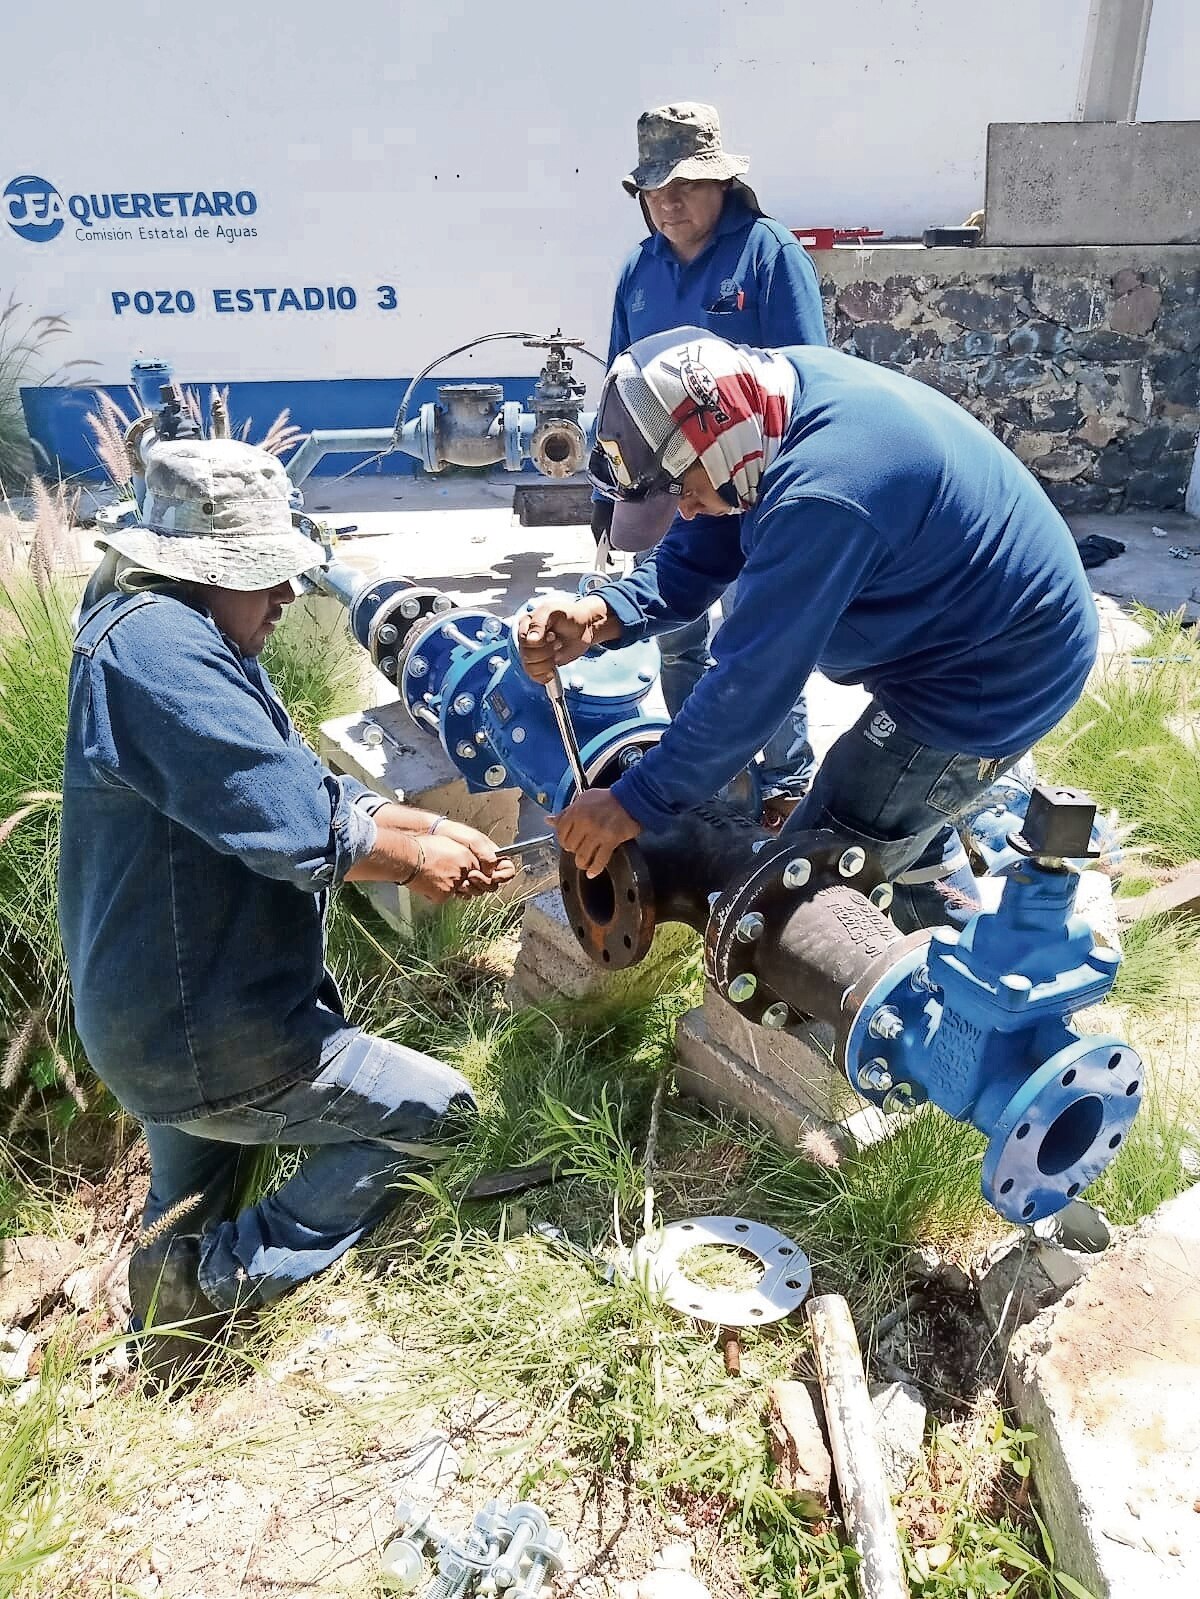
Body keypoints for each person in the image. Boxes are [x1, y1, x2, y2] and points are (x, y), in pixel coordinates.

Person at [58, 437, 515, 1381]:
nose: (284, 598)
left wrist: (402, 823)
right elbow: (293, 826)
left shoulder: (181, 626)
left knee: (188, 1198)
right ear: (200, 568)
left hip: (162, 1008)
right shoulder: (156, 653)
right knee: (446, 1114)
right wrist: (413, 856)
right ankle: (215, 1282)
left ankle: (166, 1344)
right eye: (265, 577)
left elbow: (294, 780)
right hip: (207, 1030)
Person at [520, 330, 1098, 933]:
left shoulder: (824, 492)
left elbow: (752, 685)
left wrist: (633, 802)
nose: (685, 513)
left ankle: (899, 1014)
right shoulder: (763, 410)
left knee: (798, 896)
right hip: (957, 635)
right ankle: (943, 932)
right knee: (892, 826)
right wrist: (603, 614)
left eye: (684, 493)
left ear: (719, 446)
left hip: (996, 673)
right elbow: (703, 548)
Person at [596, 102, 827, 825]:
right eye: (653, 190)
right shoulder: (638, 269)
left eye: (685, 185)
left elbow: (806, 380)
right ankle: (704, 774)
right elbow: (619, 377)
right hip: (665, 492)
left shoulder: (767, 255)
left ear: (722, 181)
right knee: (675, 637)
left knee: (759, 638)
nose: (667, 202)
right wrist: (606, 501)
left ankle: (786, 781)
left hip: (750, 488)